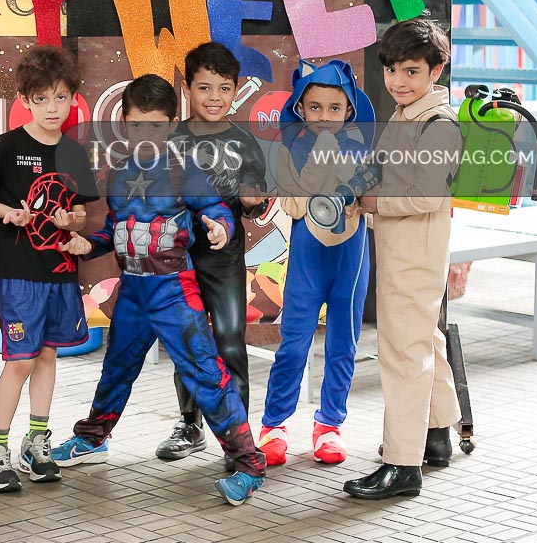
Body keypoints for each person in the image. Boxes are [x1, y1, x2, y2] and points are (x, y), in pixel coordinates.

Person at [53, 75, 267, 506]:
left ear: (171, 125)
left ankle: (248, 463)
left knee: (206, 373)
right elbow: (115, 229)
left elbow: (218, 210)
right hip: (133, 291)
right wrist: (87, 245)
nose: (146, 135)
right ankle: (93, 438)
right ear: (124, 123)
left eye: (156, 126)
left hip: (174, 293)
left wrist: (221, 229)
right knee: (116, 368)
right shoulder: (119, 173)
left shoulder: (187, 169)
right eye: (137, 125)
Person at [0, 45, 98, 492]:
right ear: (25, 100)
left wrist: (70, 223)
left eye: (60, 97)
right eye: (41, 99)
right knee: (21, 360)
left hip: (60, 274)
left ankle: (36, 442)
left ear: (74, 98)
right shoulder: (7, 146)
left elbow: (81, 213)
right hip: (19, 275)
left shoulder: (75, 153)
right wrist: (8, 212)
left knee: (47, 356)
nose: (52, 107)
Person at [344, 18, 461, 499]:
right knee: (424, 340)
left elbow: (428, 195)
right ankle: (436, 435)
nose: (398, 81)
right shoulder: (406, 114)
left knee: (403, 355)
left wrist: (372, 202)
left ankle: (402, 465)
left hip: (415, 254)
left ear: (436, 70)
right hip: (402, 248)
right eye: (392, 70)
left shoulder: (438, 124)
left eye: (412, 71)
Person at [156, 43, 269, 465]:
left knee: (229, 343)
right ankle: (189, 424)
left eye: (224, 88)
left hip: (224, 263)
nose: (215, 97)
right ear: (187, 89)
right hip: (179, 263)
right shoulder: (170, 139)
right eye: (204, 87)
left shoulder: (244, 142)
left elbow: (254, 197)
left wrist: (253, 201)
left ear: (236, 90)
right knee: (187, 343)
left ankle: (239, 436)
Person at [261, 59, 374, 466]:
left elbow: (375, 204)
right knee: (294, 344)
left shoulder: (365, 150)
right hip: (308, 257)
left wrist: (360, 193)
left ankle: (329, 425)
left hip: (351, 258)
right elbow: (293, 206)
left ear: (349, 109)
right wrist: (320, 155)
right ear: (300, 109)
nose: (325, 116)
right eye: (315, 107)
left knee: (343, 344)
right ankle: (274, 425)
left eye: (334, 108)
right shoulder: (288, 150)